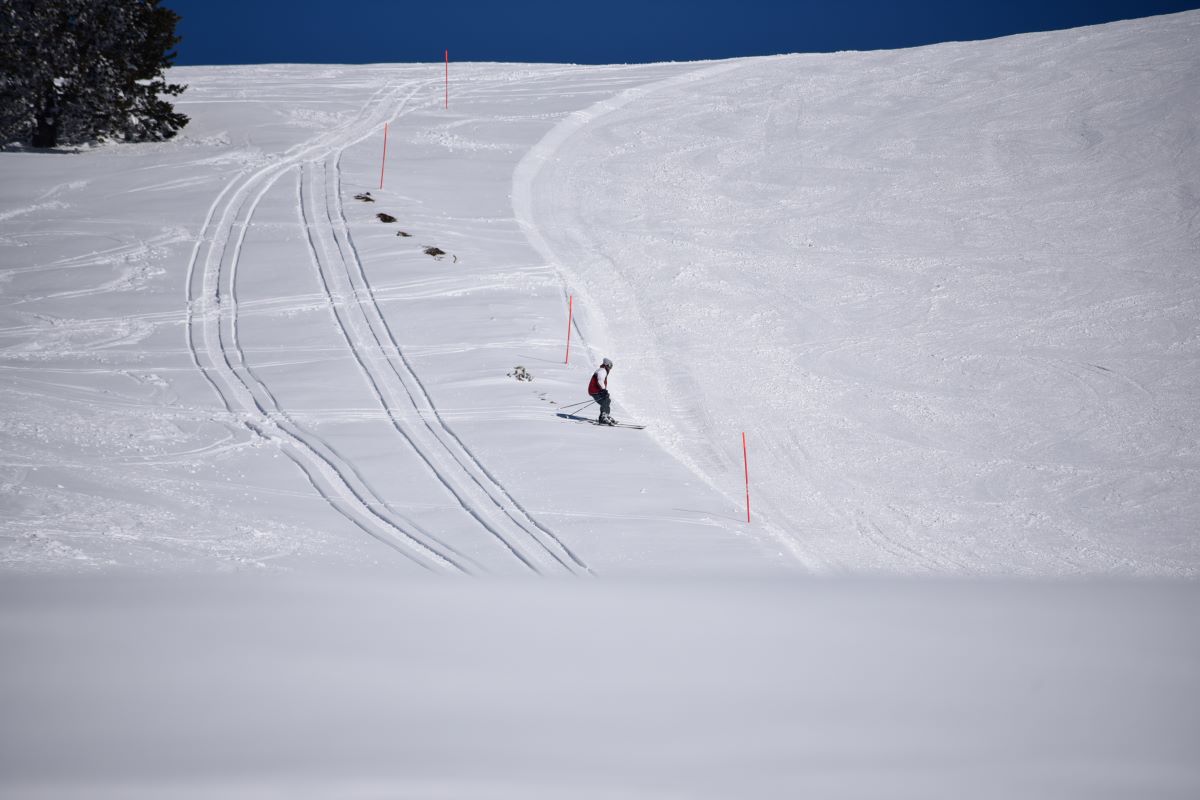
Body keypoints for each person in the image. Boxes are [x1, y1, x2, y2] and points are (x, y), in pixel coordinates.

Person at [588, 357, 617, 425]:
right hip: (595, 390)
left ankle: (605, 415)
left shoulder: (603, 370)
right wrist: (604, 390)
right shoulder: (602, 370)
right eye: (610, 366)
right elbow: (600, 381)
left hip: (596, 390)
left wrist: (603, 391)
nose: (610, 368)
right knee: (606, 400)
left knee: (607, 400)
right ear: (607, 365)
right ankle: (603, 417)